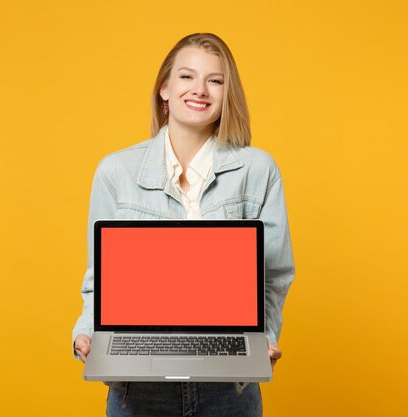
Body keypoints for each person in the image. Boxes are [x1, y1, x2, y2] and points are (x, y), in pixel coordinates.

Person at [72, 33, 295, 417]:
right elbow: (102, 278)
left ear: (229, 93)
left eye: (216, 80)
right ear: (164, 88)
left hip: (228, 386)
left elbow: (272, 276)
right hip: (138, 385)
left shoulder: (258, 170)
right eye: (187, 77)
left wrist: (264, 340)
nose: (200, 90)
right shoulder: (116, 171)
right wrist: (88, 333)